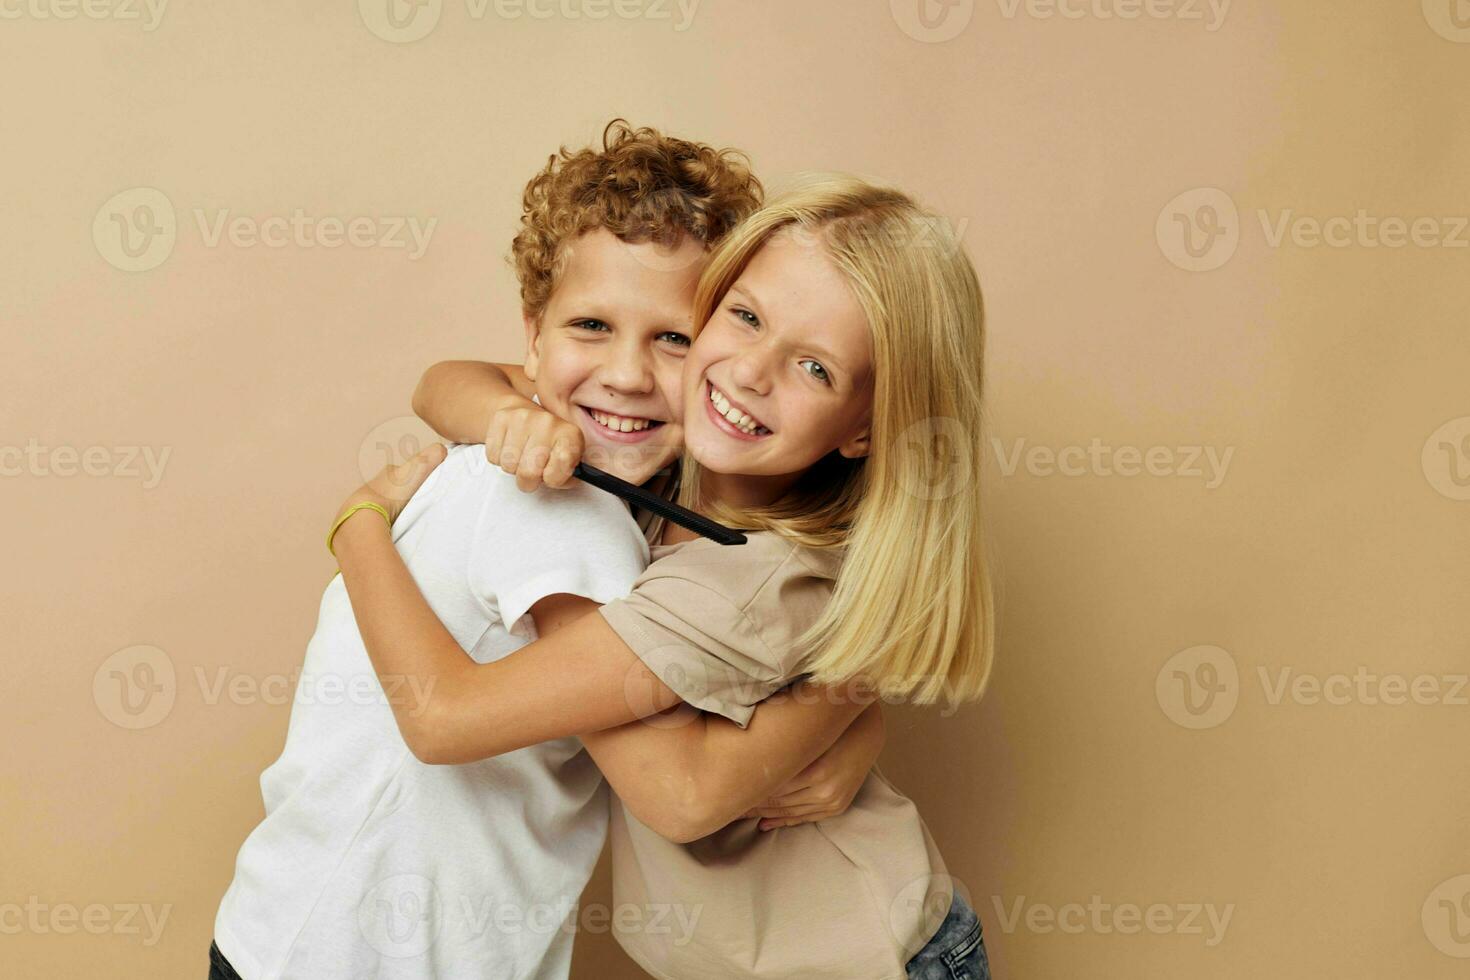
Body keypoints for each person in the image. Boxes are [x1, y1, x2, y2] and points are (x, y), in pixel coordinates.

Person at [210, 122, 885, 980]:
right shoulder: (561, 510)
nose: (630, 374)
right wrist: (357, 525)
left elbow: (441, 380)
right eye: (593, 326)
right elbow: (678, 785)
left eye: (673, 339)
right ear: (534, 338)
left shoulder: (585, 474)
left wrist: (862, 718)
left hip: (293, 927)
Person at [332, 174, 996, 979]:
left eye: (814, 368)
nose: (750, 373)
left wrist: (359, 525)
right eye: (744, 318)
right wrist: (515, 423)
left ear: (865, 428)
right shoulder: (668, 453)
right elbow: (447, 380)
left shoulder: (738, 579)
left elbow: (446, 722)